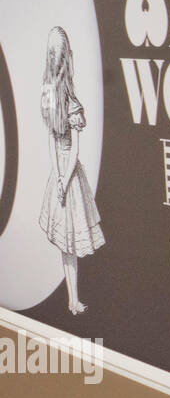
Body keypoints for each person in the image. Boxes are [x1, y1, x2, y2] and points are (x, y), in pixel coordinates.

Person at [38, 26, 105, 314]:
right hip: (68, 177)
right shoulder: (65, 102)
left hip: (63, 176)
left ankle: (72, 299)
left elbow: (55, 144)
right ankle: (72, 299)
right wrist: (64, 181)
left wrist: (60, 179)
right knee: (70, 245)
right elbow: (68, 147)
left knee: (69, 246)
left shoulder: (56, 101)